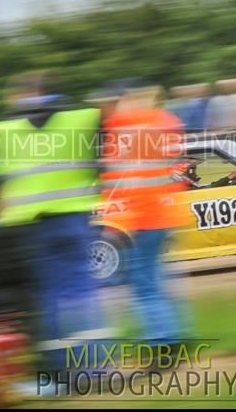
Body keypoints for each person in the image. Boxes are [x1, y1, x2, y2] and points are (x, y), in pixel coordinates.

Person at [0, 70, 108, 392]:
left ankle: (58, 376)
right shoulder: (85, 119)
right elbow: (101, 163)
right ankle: (94, 370)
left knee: (48, 298)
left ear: (22, 95)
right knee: (82, 293)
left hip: (31, 227)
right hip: (74, 220)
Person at [100, 86, 190, 353]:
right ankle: (172, 336)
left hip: (141, 219)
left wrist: (113, 221)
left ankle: (161, 344)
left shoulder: (121, 126)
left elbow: (118, 180)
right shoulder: (166, 122)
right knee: (159, 280)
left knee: (144, 285)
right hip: (166, 214)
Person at [171, 159, 236, 189]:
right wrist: (228, 178)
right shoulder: (184, 190)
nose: (195, 175)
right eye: (192, 172)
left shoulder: (185, 188)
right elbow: (206, 190)